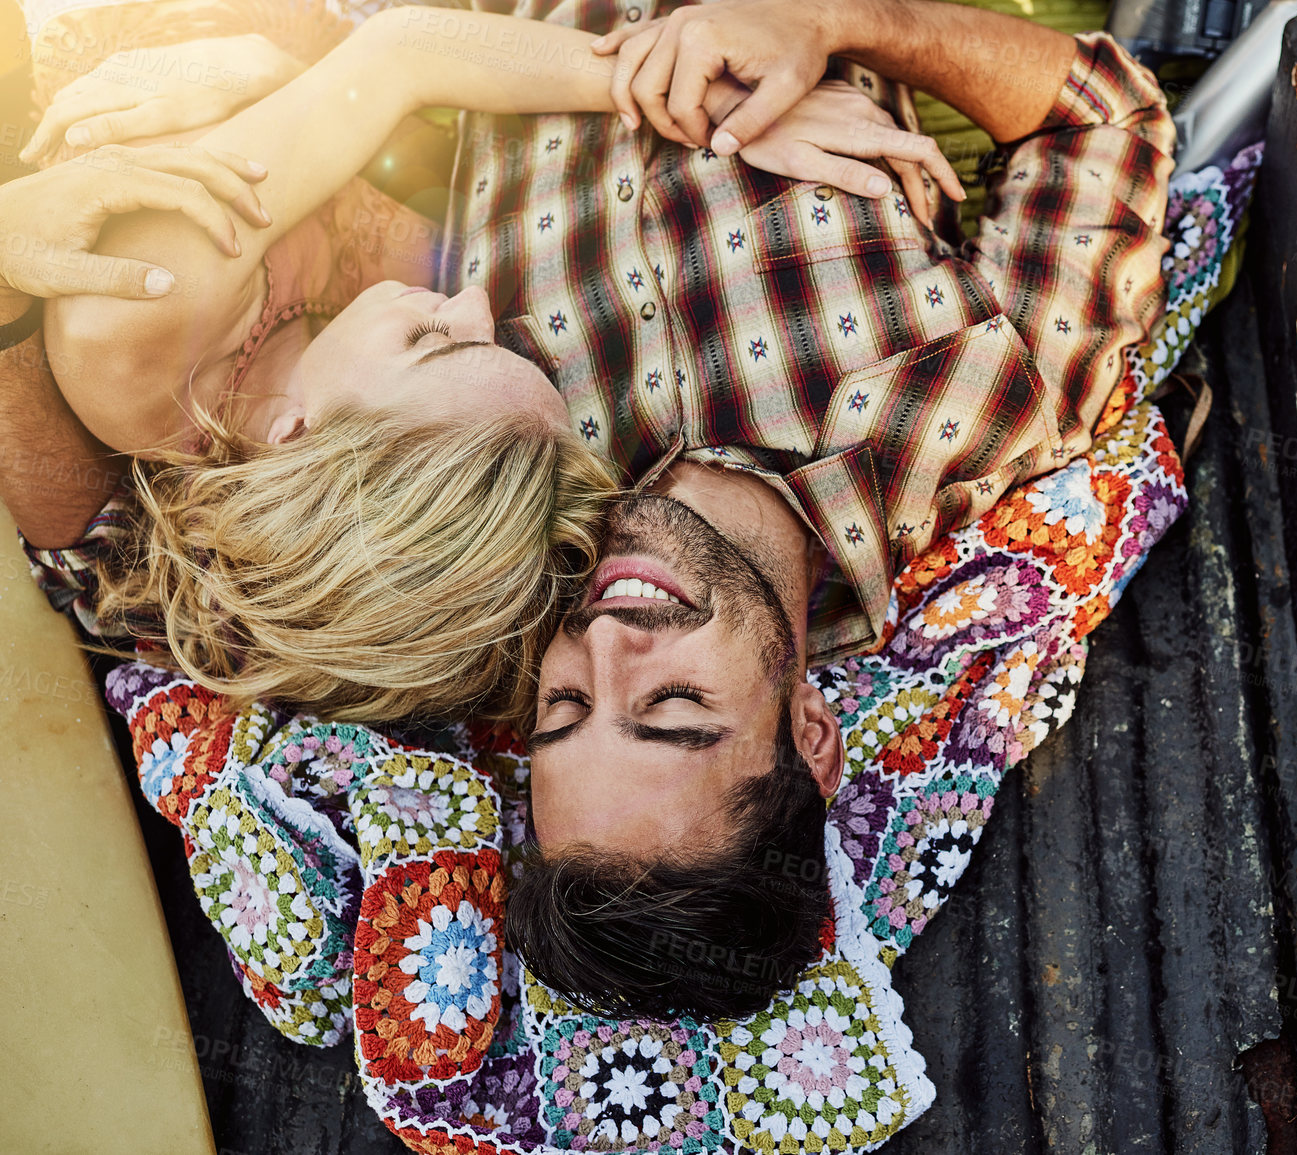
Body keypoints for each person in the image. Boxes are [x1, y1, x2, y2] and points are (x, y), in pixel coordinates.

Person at [451, 0, 1178, 1019]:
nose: (605, 645)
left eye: (564, 710)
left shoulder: (485, 496)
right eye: (672, 706)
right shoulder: (983, 407)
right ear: (812, 732)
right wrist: (832, 24)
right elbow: (1106, 121)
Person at [6, 2, 956, 726]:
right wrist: (722, 107)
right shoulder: (295, 381)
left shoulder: (138, 316)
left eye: (434, 341)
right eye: (482, 338)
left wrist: (711, 111)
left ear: (300, 437)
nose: (469, 300)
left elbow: (401, 60)